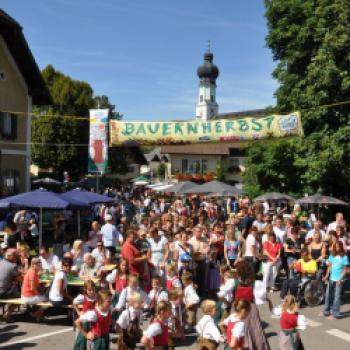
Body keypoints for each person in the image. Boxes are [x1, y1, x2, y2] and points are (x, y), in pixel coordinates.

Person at [323, 241, 349, 319]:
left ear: (341, 247)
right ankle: (326, 311)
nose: (336, 248)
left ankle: (335, 313)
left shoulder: (344, 257)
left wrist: (340, 279)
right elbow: (329, 266)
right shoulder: (332, 255)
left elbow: (345, 270)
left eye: (338, 247)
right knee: (328, 295)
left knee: (336, 297)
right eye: (335, 247)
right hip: (331, 279)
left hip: (339, 279)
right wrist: (326, 276)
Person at [73, 280, 97, 350]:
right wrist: (78, 312)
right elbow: (74, 302)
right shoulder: (83, 297)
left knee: (93, 337)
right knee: (82, 337)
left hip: (93, 320)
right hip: (85, 321)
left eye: (93, 289)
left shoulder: (97, 296)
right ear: (85, 290)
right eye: (89, 290)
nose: (91, 291)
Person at [21, 257, 47, 321]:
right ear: (33, 265)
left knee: (43, 295)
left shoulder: (34, 271)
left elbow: (36, 285)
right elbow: (32, 288)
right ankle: (36, 314)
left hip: (27, 295)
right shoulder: (32, 272)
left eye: (40, 264)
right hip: (28, 297)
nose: (40, 265)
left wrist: (41, 288)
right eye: (38, 264)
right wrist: (38, 294)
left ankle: (39, 317)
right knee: (49, 300)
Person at [0, 249, 21, 322]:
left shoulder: (1, 262)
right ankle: (7, 315)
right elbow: (20, 280)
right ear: (9, 257)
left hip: (3, 290)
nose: (16, 258)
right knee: (21, 297)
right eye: (15, 256)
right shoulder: (12, 266)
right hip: (3, 292)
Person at [188, 226, 209, 295]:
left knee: (202, 277)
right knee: (195, 278)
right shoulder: (190, 241)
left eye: (200, 231)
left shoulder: (204, 239)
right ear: (194, 232)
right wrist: (195, 253)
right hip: (194, 262)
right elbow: (189, 252)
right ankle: (195, 293)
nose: (199, 233)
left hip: (202, 261)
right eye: (198, 231)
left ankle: (201, 293)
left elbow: (207, 249)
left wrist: (203, 251)